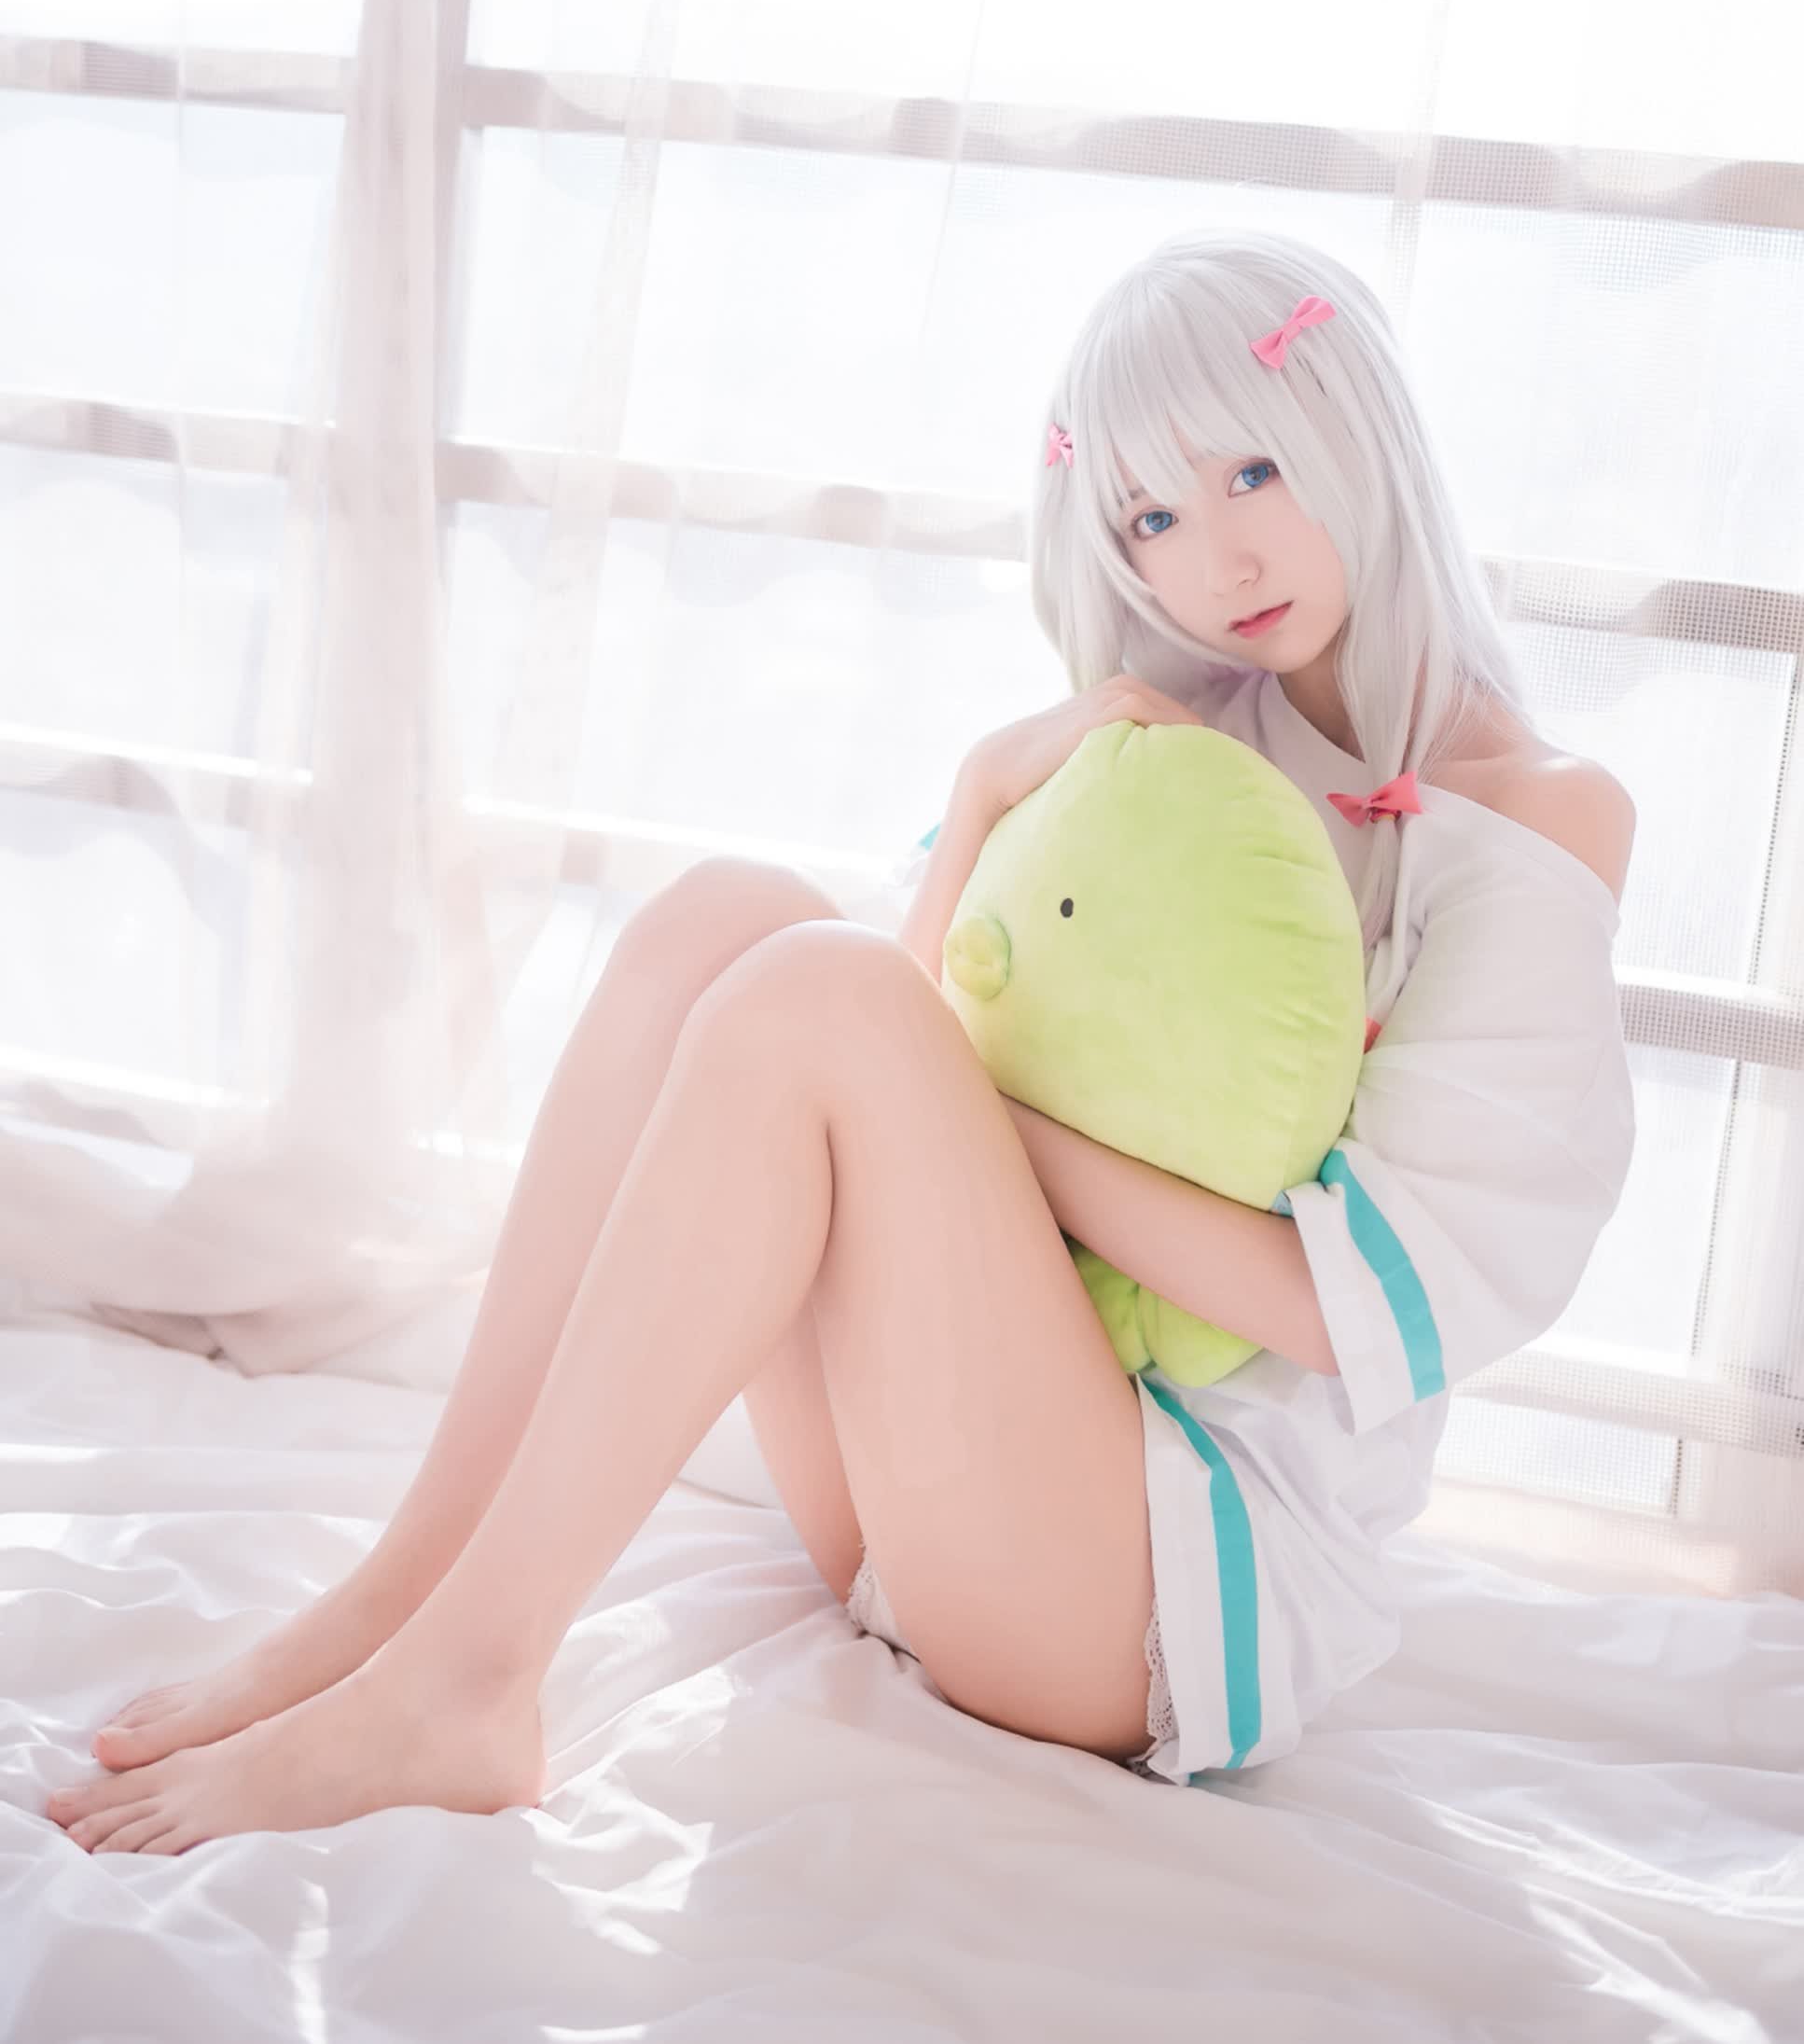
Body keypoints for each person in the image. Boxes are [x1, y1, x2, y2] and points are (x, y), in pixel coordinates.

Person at [47, 229, 1637, 1854]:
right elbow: (904, 1029)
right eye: (1152, 518)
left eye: (1250, 472)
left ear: (1352, 428)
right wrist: (982, 794)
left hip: (1161, 1595)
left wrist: (990, 1129)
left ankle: (469, 1683)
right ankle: (410, 1595)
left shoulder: (1533, 816)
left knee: (816, 989)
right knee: (724, 923)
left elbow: (1338, 1307)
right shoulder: (1171, 739)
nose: (1218, 558)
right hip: (942, 1493)